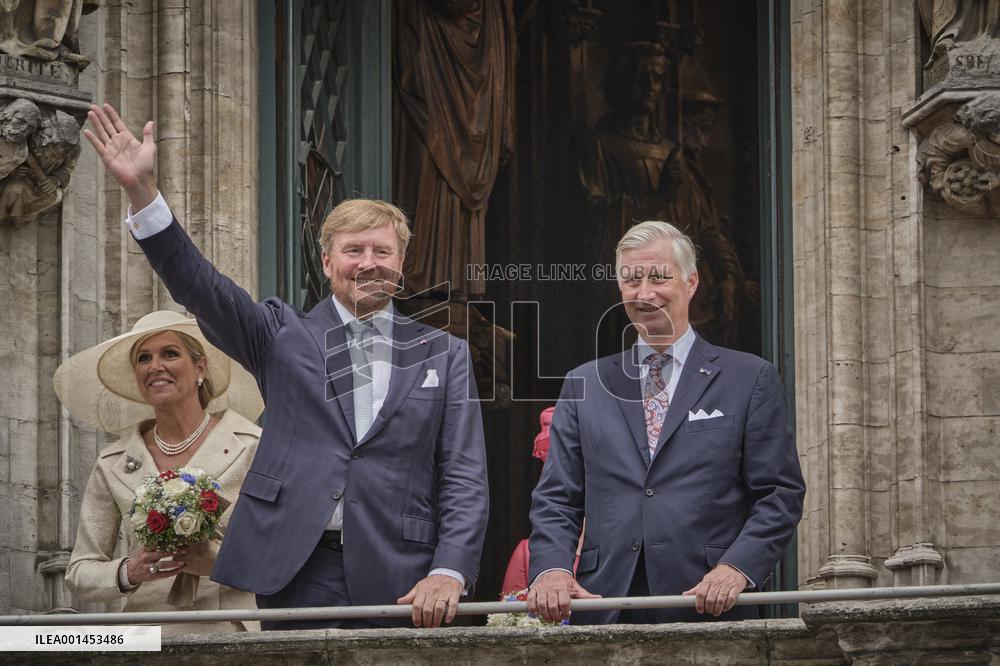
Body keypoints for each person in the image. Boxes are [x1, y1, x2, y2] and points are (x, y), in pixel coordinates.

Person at [82, 102, 489, 630]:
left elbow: (464, 475)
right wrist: (143, 194)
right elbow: (202, 288)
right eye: (353, 250)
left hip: (404, 569)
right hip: (298, 565)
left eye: (382, 251)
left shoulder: (444, 353)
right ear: (326, 263)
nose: (369, 262)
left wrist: (451, 570)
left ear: (402, 264)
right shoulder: (279, 332)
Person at [527, 221, 805, 624]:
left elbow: (779, 492)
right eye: (631, 280)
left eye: (659, 277)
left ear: (691, 283)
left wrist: (737, 568)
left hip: (709, 603)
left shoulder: (750, 378)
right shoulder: (583, 382)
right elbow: (557, 498)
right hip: (604, 603)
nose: (645, 293)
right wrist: (551, 569)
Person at [59, 310, 265, 635]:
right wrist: (131, 571)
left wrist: (220, 561)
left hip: (232, 633)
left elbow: (286, 553)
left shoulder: (253, 447)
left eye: (170, 353)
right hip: (145, 636)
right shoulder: (113, 461)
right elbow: (80, 571)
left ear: (200, 368)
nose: (155, 366)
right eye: (144, 358)